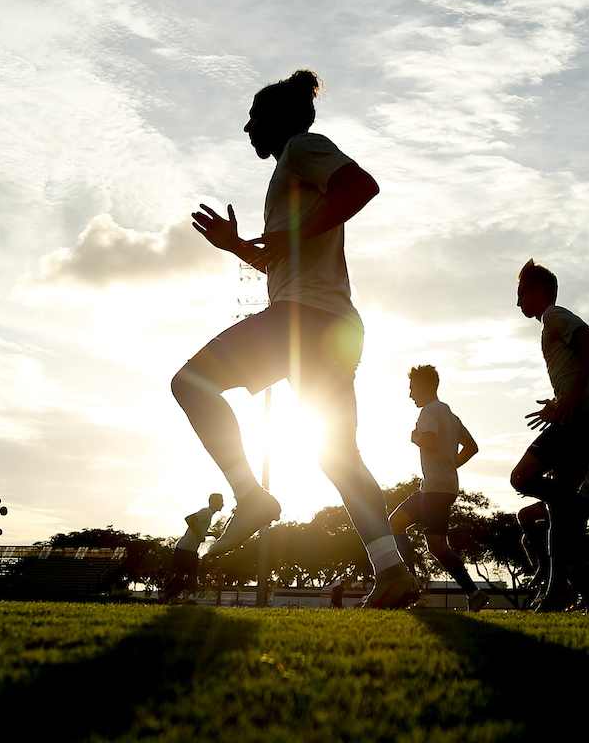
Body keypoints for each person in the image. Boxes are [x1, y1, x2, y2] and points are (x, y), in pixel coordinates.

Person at [171, 70, 417, 609]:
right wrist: (238, 246)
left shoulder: (303, 149)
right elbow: (280, 254)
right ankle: (392, 570)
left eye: (254, 118)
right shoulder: (290, 174)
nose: (246, 127)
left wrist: (290, 236)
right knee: (338, 455)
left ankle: (250, 496)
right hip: (332, 324)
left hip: (306, 318)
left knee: (191, 384)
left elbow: (363, 187)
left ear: (279, 119)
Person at [508, 259, 589, 609]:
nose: (518, 301)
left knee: (520, 477)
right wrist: (558, 402)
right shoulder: (549, 325)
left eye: (521, 292)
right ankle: (560, 592)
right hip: (582, 415)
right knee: (559, 509)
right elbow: (575, 370)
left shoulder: (554, 316)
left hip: (581, 417)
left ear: (540, 291)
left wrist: (569, 399)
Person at [389, 365, 488, 612]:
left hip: (435, 490)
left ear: (424, 387)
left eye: (412, 389)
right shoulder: (450, 415)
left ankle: (472, 592)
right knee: (394, 524)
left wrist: (416, 438)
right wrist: (449, 464)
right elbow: (471, 447)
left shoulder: (429, 411)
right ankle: (409, 581)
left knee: (437, 546)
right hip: (435, 487)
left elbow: (429, 441)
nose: (411, 394)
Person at [159, 493, 224, 603]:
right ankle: (166, 595)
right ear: (215, 502)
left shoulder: (208, 514)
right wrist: (199, 534)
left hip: (185, 548)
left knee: (179, 576)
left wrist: (212, 534)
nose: (223, 504)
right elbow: (188, 519)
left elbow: (198, 529)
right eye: (221, 501)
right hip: (188, 549)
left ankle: (163, 597)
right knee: (192, 579)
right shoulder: (207, 512)